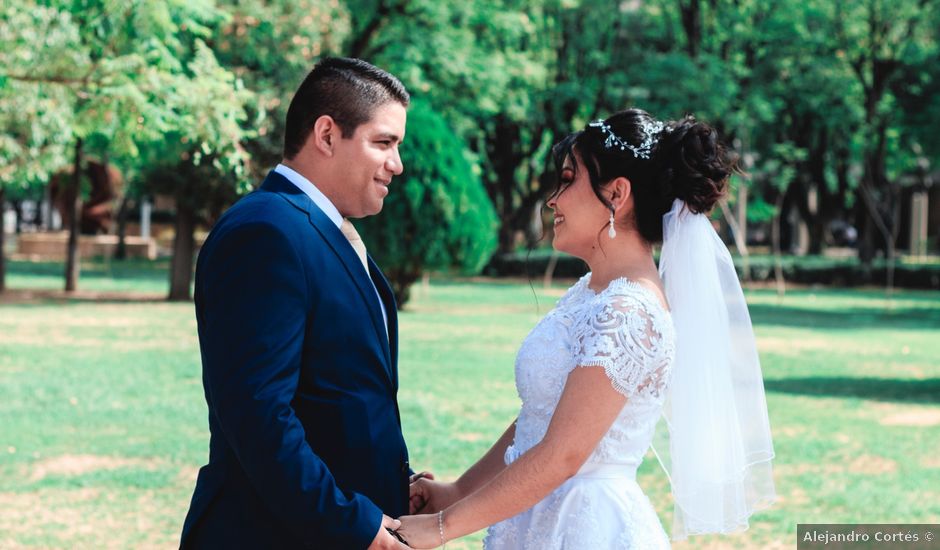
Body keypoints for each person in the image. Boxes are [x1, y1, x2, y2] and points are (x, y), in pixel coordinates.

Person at [396, 109, 776, 548]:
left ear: (616, 193)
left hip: (585, 525)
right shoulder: (591, 292)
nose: (553, 199)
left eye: (567, 179)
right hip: (537, 513)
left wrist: (443, 528)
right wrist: (459, 491)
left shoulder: (630, 310)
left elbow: (564, 454)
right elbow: (538, 420)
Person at [180, 57, 419, 549]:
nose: (397, 163)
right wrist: (350, 522)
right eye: (384, 143)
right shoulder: (265, 232)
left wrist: (396, 482)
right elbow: (260, 414)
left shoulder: (322, 228)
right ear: (327, 135)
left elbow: (339, 394)